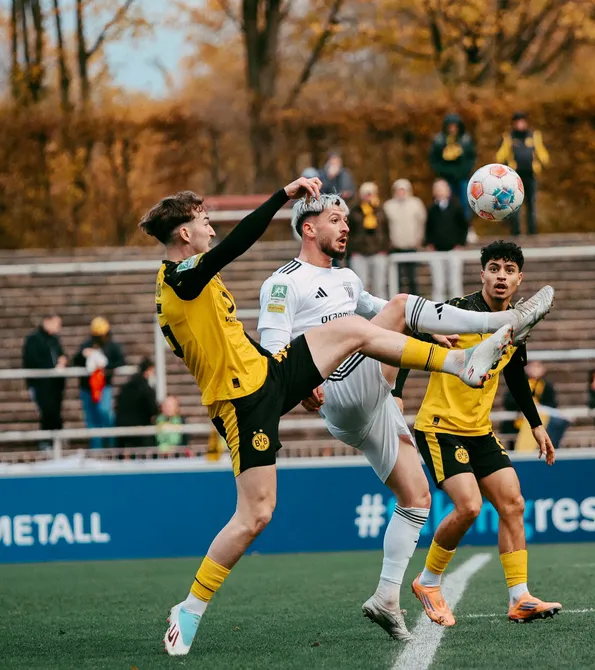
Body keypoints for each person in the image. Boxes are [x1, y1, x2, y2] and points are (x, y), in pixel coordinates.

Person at [143, 174, 534, 657]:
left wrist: (298, 375)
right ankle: (190, 608)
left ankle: (387, 595)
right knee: (256, 515)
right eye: (204, 220)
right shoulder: (183, 277)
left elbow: (239, 340)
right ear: (184, 233)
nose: (211, 227)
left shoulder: (325, 278)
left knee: (414, 492)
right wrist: (282, 195)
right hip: (244, 400)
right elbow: (238, 246)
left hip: (269, 376)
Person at [258, 204, 554, 640]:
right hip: (348, 390)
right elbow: (275, 347)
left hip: (387, 407)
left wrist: (428, 329)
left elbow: (380, 309)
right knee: (399, 308)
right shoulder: (283, 282)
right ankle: (479, 345)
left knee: (422, 499)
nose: (345, 226)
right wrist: (298, 383)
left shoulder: (347, 279)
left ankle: (391, 597)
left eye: (345, 219)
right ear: (308, 227)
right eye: (336, 220)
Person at [394, 240, 561, 627]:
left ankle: (520, 598)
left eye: (509, 270)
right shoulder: (457, 311)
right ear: (482, 273)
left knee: (513, 503)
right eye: (494, 268)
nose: (501, 276)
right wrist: (396, 393)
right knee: (469, 506)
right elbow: (406, 337)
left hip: (479, 430)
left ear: (519, 280)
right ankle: (428, 581)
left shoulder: (517, 325)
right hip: (439, 427)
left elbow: (515, 373)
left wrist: (536, 425)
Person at [72, 317, 125, 449]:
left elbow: (120, 361)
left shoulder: (112, 346)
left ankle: (111, 445)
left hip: (103, 387)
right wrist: (83, 355)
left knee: (105, 413)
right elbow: (75, 361)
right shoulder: (87, 345)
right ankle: (96, 448)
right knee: (91, 419)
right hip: (87, 387)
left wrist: (106, 366)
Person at [496, 111, 549, 235]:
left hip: (530, 174)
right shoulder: (509, 137)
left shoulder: (533, 135)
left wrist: (544, 161)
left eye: (522, 121)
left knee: (531, 204)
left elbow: (541, 151)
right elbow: (501, 155)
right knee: (514, 204)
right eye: (518, 122)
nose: (520, 124)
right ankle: (516, 231)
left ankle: (532, 231)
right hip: (515, 176)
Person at [22, 314, 67, 446]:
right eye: (56, 324)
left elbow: (61, 354)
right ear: (47, 322)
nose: (58, 327)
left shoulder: (54, 339)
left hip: (56, 385)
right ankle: (47, 442)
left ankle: (56, 442)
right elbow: (31, 360)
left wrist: (63, 361)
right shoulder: (33, 339)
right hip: (41, 384)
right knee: (47, 412)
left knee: (55, 412)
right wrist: (51, 367)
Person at [425, 179, 468, 302]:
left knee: (455, 283)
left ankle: (457, 306)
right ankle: (438, 308)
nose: (440, 192)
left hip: (454, 250)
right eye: (437, 189)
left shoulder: (456, 207)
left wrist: (460, 243)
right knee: (438, 284)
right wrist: (429, 243)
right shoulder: (431, 210)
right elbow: (428, 228)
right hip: (436, 252)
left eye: (442, 189)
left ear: (448, 191)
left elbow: (464, 227)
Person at [428, 113, 476, 220]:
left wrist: (464, 171)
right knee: (444, 202)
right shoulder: (439, 140)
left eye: (455, 126)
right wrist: (443, 172)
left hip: (462, 177)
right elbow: (434, 160)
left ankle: (466, 224)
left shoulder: (465, 140)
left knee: (465, 202)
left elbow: (471, 158)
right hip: (446, 177)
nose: (452, 129)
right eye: (450, 126)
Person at [384, 179, 427, 295]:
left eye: (403, 190)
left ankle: (415, 300)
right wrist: (389, 242)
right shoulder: (388, 206)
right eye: (398, 190)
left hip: (411, 245)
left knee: (412, 277)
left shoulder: (416, 204)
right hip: (395, 246)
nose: (400, 192)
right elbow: (385, 226)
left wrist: (419, 239)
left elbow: (421, 223)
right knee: (396, 278)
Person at [348, 182, 391, 299]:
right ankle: (363, 310)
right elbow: (349, 232)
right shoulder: (354, 211)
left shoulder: (381, 211)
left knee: (380, 286)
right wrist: (352, 250)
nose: (368, 196)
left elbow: (386, 231)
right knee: (361, 287)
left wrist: (385, 249)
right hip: (359, 252)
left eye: (371, 193)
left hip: (378, 252)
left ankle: (382, 310)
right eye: (366, 194)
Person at [115, 357, 159, 449]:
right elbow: (152, 409)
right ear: (149, 370)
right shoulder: (146, 389)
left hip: (122, 427)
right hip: (140, 431)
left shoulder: (126, 387)